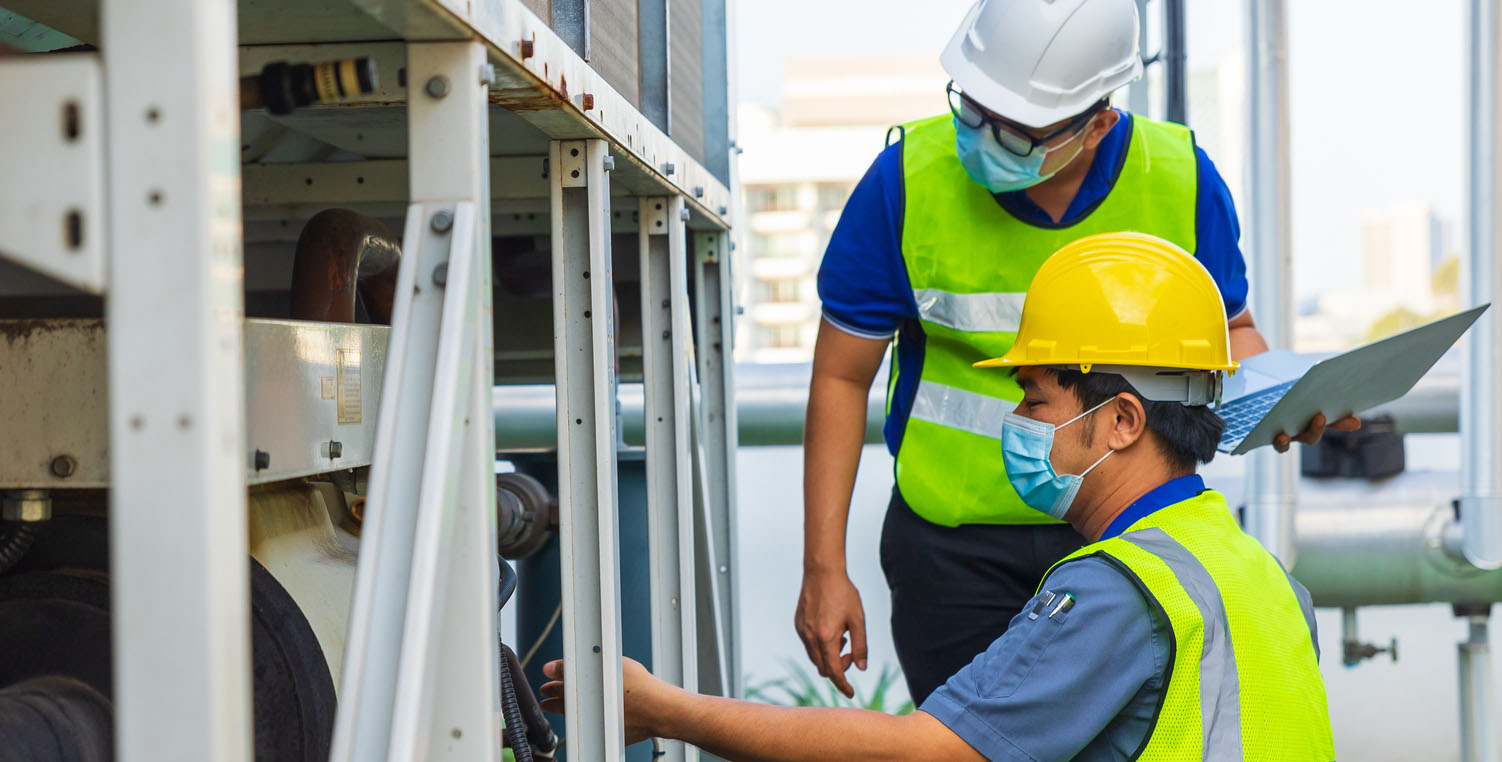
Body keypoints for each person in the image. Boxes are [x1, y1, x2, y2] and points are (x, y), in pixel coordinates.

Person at [542, 232, 1336, 761]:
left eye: (1036, 400)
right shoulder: (1253, 571)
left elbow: (922, 753)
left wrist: (664, 710)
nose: (1017, 425)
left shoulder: (1121, 590)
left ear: (1123, 420)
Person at [797, 0, 1357, 703]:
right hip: (952, 553)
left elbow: (1232, 334)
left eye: (1018, 131)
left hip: (1131, 536)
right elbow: (841, 378)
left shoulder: (1181, 178)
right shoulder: (905, 181)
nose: (986, 137)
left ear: (1098, 123)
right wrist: (824, 566)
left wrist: (1277, 398)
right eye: (972, 109)